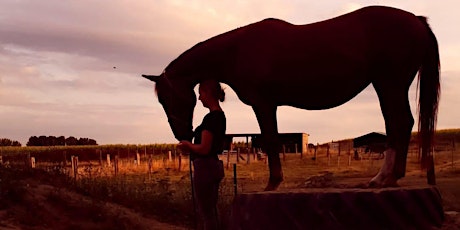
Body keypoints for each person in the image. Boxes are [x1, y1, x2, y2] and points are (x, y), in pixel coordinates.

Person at [177, 79, 226, 230]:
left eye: (201, 94)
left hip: (205, 168)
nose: (199, 98)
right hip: (213, 166)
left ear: (208, 93)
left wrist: (187, 145)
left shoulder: (211, 118)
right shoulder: (220, 117)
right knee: (210, 211)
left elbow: (204, 149)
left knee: (207, 213)